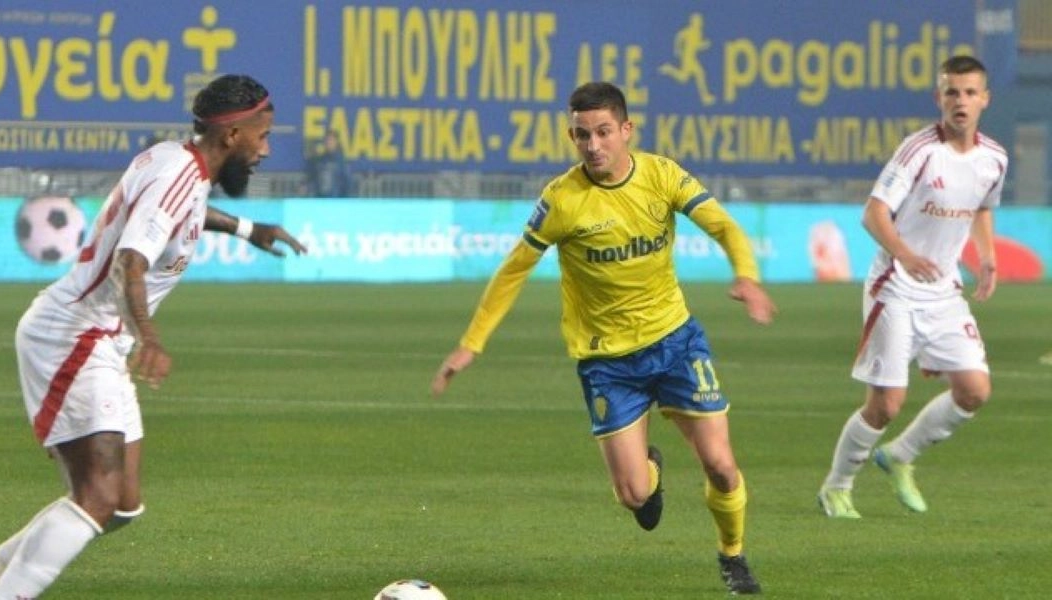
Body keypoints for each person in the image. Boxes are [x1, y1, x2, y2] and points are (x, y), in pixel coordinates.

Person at [0, 74, 307, 599]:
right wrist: (149, 335)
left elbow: (183, 212)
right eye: (262, 136)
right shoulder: (178, 174)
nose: (265, 149)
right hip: (76, 334)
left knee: (121, 504)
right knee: (98, 497)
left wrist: (247, 229)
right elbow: (131, 258)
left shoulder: (177, 161)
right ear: (231, 135)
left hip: (99, 338)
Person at [430, 81, 775, 595]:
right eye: (581, 135)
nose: (592, 145)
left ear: (626, 130)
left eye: (603, 132)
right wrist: (471, 342)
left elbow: (723, 226)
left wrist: (746, 276)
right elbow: (513, 270)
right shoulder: (562, 199)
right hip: (607, 363)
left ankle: (733, 555)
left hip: (674, 342)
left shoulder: (662, 175)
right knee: (634, 496)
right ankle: (649, 471)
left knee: (722, 466)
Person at [817, 55, 1006, 519]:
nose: (960, 101)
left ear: (984, 99)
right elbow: (873, 213)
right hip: (896, 288)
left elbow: (982, 206)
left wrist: (987, 256)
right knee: (886, 404)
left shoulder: (994, 159)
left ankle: (900, 455)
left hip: (943, 291)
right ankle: (836, 487)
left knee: (974, 390)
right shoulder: (919, 150)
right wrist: (904, 253)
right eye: (951, 92)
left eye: (969, 92)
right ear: (938, 97)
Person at [303, 130, 354, 197]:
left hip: (336, 200)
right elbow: (312, 178)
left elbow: (348, 184)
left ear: (336, 142)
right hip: (320, 199)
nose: (329, 142)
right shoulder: (319, 161)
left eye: (331, 140)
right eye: (327, 140)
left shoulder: (342, 162)